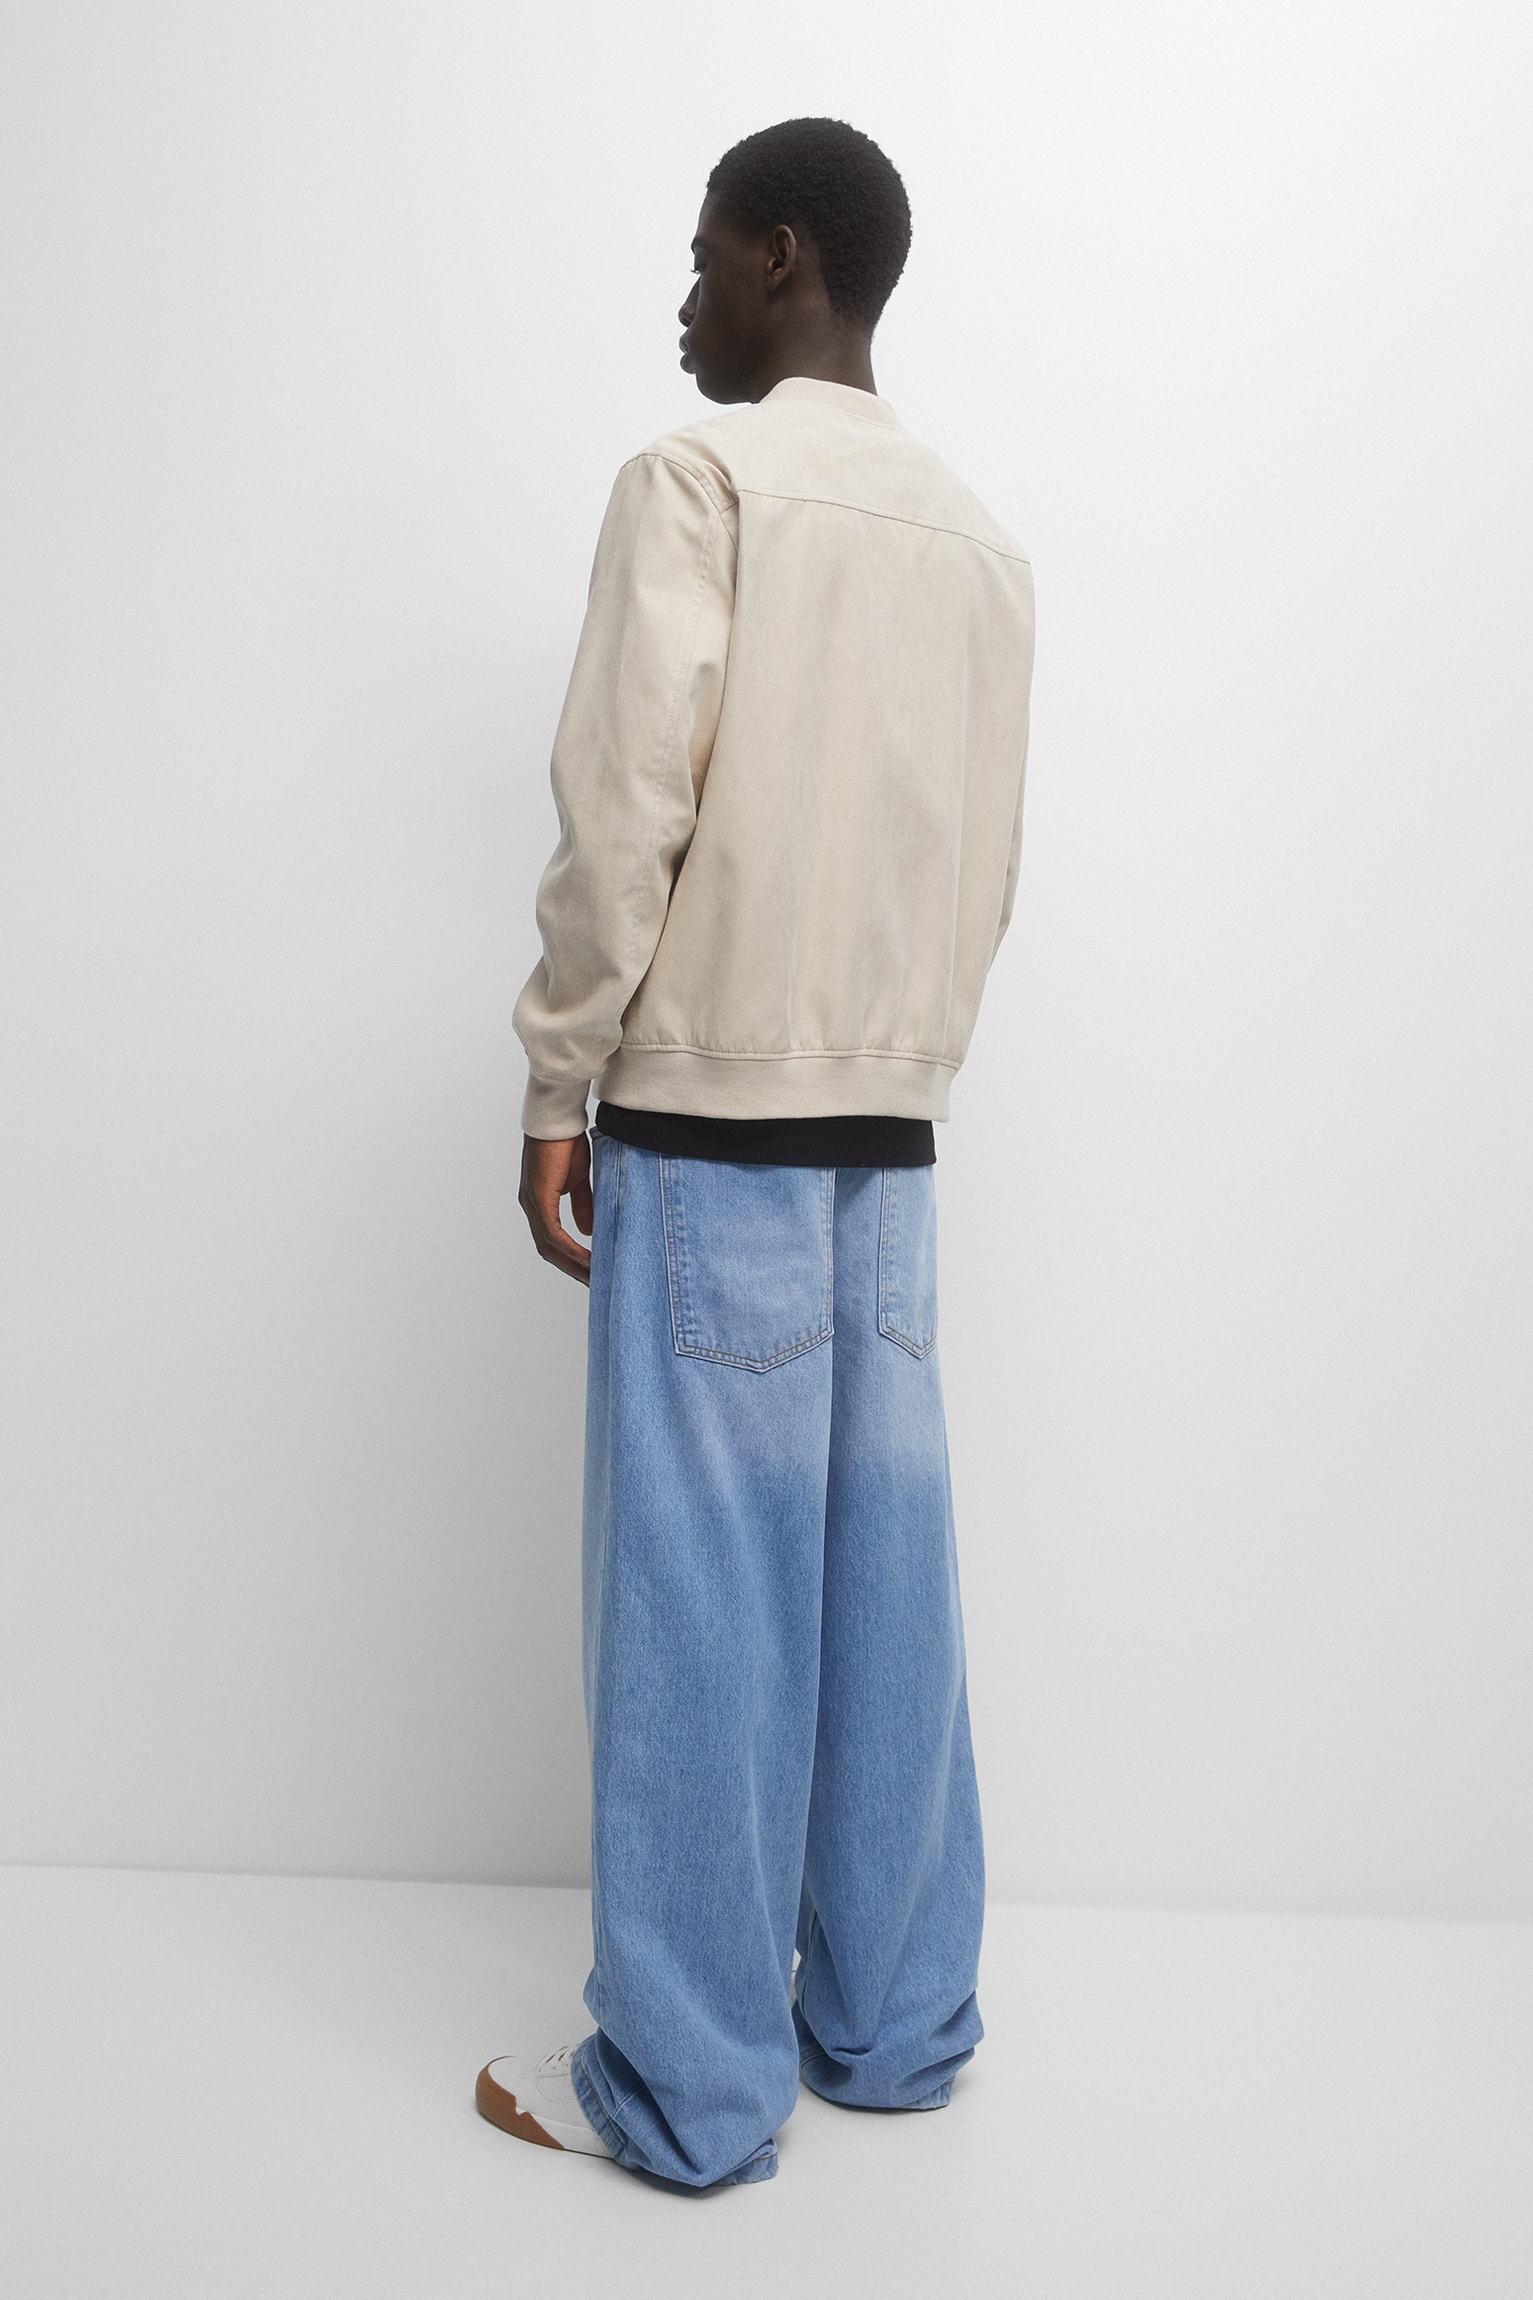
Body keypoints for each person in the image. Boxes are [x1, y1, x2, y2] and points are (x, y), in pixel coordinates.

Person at [476, 116, 1035, 2190]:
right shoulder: (978, 542)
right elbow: (984, 861)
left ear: (781, 255)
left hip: (711, 1118)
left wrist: (559, 1078)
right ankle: (890, 2027)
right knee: (886, 1589)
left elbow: (625, 803)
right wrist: (904, 1051)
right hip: (888, 1131)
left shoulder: (697, 480)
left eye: (705, 256)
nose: (686, 299)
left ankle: (687, 2090)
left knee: (702, 1601)